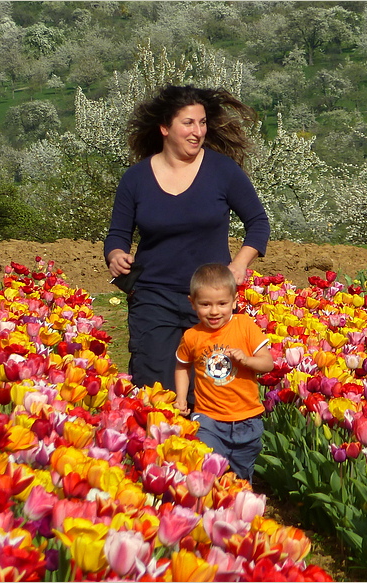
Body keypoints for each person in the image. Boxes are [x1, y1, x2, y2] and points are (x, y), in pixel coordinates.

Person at [104, 85, 270, 403]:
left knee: (212, 390)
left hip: (211, 303)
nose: (198, 132)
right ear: (165, 128)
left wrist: (239, 263)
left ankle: (208, 451)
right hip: (153, 299)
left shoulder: (223, 171)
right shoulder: (136, 179)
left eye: (202, 123)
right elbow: (117, 235)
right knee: (157, 392)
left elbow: (258, 223)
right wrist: (115, 255)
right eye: (189, 123)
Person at [174, 263, 274, 482]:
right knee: (206, 465)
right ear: (193, 304)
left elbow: (268, 364)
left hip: (247, 416)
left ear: (235, 302)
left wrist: (247, 360)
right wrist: (181, 398)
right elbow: (182, 366)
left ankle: (237, 509)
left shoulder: (245, 326)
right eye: (205, 304)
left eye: (222, 304)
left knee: (240, 475)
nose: (214, 311)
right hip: (208, 418)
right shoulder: (192, 336)